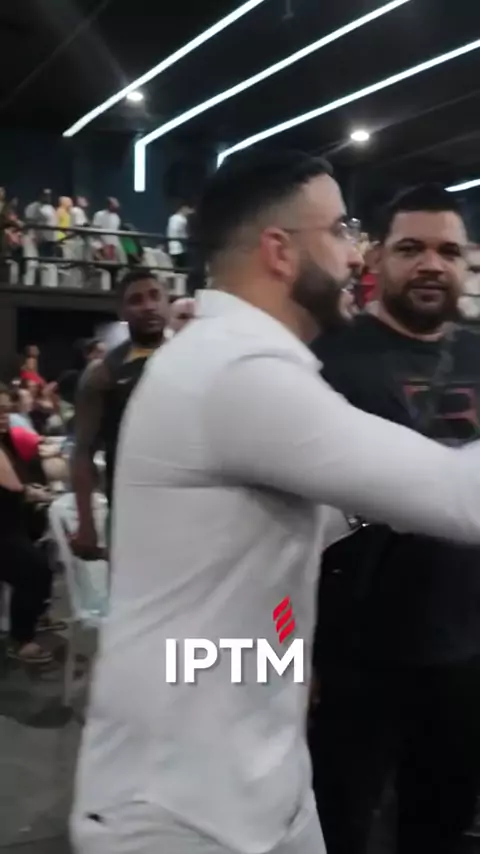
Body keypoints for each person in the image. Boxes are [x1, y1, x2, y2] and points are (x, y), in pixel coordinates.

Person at [71, 150, 480, 854]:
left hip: (252, 772)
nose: (355, 254)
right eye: (341, 230)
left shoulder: (228, 359)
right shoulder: (236, 371)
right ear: (279, 251)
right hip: (180, 807)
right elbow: (461, 497)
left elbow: (287, 530)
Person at [311, 183, 480, 854]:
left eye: (448, 251)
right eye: (411, 249)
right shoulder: (324, 359)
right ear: (376, 258)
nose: (431, 265)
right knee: (339, 825)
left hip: (465, 650)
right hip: (353, 653)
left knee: (440, 824)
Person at [71, 269, 169, 559]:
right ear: (121, 311)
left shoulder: (195, 356)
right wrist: (86, 524)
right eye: (136, 300)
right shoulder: (103, 373)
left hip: (196, 507)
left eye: (155, 296)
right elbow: (82, 452)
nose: (148, 306)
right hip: (133, 510)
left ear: (167, 300)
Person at [0, 384, 63, 664]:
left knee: (44, 557)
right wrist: (30, 492)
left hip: (13, 523)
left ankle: (35, 616)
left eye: (7, 409)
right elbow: (14, 485)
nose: (4, 415)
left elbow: (18, 483)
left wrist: (33, 490)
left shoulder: (6, 441)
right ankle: (21, 639)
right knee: (34, 570)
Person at [92, 197, 121, 261]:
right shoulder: (99, 214)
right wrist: (103, 245)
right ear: (109, 204)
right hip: (101, 245)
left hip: (113, 246)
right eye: (114, 203)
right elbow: (96, 230)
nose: (117, 205)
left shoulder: (116, 217)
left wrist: (113, 246)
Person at [167, 201, 193, 271]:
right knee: (182, 269)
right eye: (189, 209)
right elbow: (182, 233)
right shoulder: (182, 220)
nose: (189, 212)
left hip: (173, 247)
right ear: (184, 208)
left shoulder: (172, 218)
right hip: (180, 249)